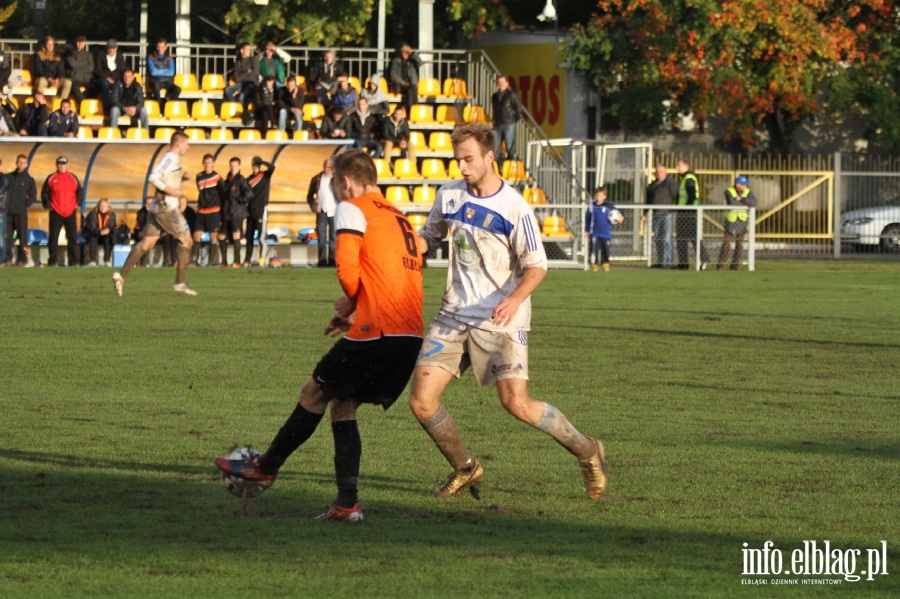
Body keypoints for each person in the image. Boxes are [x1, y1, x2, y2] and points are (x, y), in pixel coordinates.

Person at [215, 149, 425, 522]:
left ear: (344, 182)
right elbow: (390, 275)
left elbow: (347, 271)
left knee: (313, 391)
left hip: (377, 330)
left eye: (335, 186)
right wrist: (355, 308)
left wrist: (356, 303)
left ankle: (266, 466)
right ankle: (347, 504)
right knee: (342, 404)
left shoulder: (352, 207)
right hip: (408, 335)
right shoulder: (399, 216)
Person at [408, 123, 608, 501]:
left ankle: (587, 450)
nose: (462, 168)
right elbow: (429, 237)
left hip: (499, 320)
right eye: (458, 160)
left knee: (516, 403)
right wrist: (398, 241)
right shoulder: (449, 194)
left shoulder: (513, 206)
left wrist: (515, 298)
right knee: (421, 402)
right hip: (453, 314)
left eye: (468, 159)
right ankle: (466, 468)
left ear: (489, 156)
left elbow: (537, 266)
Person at [112, 131, 198, 296]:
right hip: (166, 207)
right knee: (187, 241)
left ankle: (120, 276)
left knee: (146, 244)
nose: (188, 146)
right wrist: (169, 190)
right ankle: (180, 283)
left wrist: (181, 179)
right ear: (178, 144)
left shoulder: (173, 160)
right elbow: (153, 176)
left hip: (158, 206)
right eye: (187, 143)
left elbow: (165, 178)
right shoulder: (169, 158)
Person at [42, 156, 83, 267]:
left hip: (70, 212)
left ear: (67, 165)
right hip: (56, 211)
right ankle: (53, 261)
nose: (62, 166)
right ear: (57, 165)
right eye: (60, 163)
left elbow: (80, 192)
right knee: (53, 237)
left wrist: (77, 204)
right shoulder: (51, 178)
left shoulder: (73, 178)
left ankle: (73, 261)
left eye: (64, 164)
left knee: (72, 237)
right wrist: (48, 205)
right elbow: (45, 193)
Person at [717, 175, 758, 270]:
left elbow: (754, 202)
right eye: (743, 185)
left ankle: (735, 265)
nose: (745, 187)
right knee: (726, 244)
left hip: (742, 221)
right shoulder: (729, 191)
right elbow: (732, 202)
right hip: (731, 221)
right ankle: (720, 265)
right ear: (737, 184)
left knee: (739, 245)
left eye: (745, 185)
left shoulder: (747, 191)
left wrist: (742, 200)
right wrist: (745, 202)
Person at [675, 158, 710, 270]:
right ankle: (683, 264)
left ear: (686, 166)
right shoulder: (685, 178)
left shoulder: (689, 178)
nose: (677, 168)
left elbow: (692, 196)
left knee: (692, 237)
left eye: (679, 166)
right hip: (683, 212)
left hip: (687, 214)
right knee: (681, 238)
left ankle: (704, 259)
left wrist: (687, 209)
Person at [644, 163, 678, 268]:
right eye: (658, 172)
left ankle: (669, 262)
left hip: (668, 214)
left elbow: (676, 196)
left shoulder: (671, 183)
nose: (659, 174)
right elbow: (648, 201)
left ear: (666, 172)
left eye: (661, 171)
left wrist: (676, 208)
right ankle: (661, 261)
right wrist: (645, 213)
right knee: (658, 238)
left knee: (667, 239)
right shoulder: (653, 185)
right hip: (656, 215)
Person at [221, 156, 252, 267]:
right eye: (231, 166)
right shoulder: (227, 181)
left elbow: (249, 194)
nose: (233, 168)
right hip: (226, 212)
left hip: (237, 213)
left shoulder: (241, 179)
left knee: (236, 235)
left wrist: (239, 200)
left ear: (239, 167)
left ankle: (237, 261)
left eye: (235, 166)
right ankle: (224, 262)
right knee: (222, 236)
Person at [6, 154, 36, 266]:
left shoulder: (29, 180)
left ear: (27, 164)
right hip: (8, 214)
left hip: (21, 214)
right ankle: (7, 259)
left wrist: (24, 205)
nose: (21, 164)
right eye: (19, 162)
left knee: (23, 238)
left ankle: (23, 260)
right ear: (16, 162)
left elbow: (33, 197)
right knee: (7, 238)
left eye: (23, 162)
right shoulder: (8, 177)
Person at [244, 156, 275, 266]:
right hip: (250, 211)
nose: (255, 167)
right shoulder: (248, 180)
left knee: (261, 237)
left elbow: (272, 167)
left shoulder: (265, 176)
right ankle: (247, 260)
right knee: (249, 237)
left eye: (257, 165)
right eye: (253, 164)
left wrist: (262, 162)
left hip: (261, 210)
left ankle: (261, 260)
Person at [195, 154, 225, 266]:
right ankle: (194, 261)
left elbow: (223, 195)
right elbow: (201, 191)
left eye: (209, 162)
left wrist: (221, 214)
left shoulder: (217, 178)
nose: (207, 165)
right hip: (201, 211)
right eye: (205, 163)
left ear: (213, 164)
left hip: (214, 211)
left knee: (213, 237)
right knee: (196, 235)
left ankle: (212, 262)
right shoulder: (199, 176)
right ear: (203, 164)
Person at [306, 158, 336, 267]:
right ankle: (323, 262)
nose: (328, 169)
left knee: (334, 239)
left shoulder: (338, 179)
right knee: (322, 238)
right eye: (326, 167)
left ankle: (333, 262)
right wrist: (314, 206)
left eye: (330, 167)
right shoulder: (317, 179)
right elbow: (309, 196)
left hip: (334, 212)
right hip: (321, 212)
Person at [584, 186, 618, 272]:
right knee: (593, 250)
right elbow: (587, 219)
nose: (598, 197)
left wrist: (621, 217)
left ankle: (605, 264)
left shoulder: (609, 206)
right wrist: (586, 230)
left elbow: (618, 213)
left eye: (600, 195)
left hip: (606, 233)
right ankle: (593, 265)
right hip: (594, 233)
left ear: (605, 196)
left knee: (605, 250)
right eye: (597, 195)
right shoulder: (592, 206)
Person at [225, 42, 260, 125]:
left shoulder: (254, 59)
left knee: (242, 96)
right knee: (228, 90)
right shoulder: (237, 63)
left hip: (252, 83)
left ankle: (244, 113)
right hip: (242, 84)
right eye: (247, 49)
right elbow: (237, 79)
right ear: (242, 50)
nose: (249, 51)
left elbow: (255, 73)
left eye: (250, 49)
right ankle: (236, 107)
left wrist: (244, 75)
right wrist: (247, 72)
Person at [491, 75, 522, 167]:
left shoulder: (512, 94)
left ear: (507, 83)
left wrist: (513, 120)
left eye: (502, 82)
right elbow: (494, 109)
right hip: (498, 123)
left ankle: (511, 164)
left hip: (508, 123)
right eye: (499, 82)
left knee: (509, 145)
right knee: (496, 145)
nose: (500, 84)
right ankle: (495, 165)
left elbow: (519, 109)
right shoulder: (495, 96)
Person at [32, 35, 73, 100]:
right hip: (44, 78)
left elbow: (61, 70)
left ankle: (63, 103)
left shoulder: (58, 55)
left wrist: (57, 79)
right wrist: (48, 78)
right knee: (41, 81)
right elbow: (39, 70)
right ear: (45, 44)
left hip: (55, 79)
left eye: (52, 45)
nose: (50, 46)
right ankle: (40, 103)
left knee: (68, 82)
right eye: (48, 44)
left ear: (54, 45)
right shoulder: (38, 54)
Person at [93, 39, 126, 114]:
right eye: (109, 48)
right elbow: (97, 70)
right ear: (107, 48)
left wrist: (116, 79)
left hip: (116, 78)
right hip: (103, 78)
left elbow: (122, 70)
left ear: (116, 48)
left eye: (113, 48)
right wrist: (107, 78)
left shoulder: (119, 56)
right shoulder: (101, 55)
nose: (111, 50)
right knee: (105, 84)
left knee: (120, 85)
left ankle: (120, 108)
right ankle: (106, 109)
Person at [82, 197, 117, 266]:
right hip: (94, 233)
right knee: (93, 238)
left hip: (105, 235)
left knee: (108, 238)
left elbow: (113, 226)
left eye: (104, 206)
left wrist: (108, 230)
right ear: (98, 206)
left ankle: (107, 261)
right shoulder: (93, 214)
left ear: (108, 207)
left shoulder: (112, 215)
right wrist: (99, 232)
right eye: (101, 206)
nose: (102, 207)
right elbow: (91, 227)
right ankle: (92, 261)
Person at [146, 38, 181, 107]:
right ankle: (159, 106)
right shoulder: (151, 57)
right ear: (156, 47)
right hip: (156, 80)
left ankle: (169, 106)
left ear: (166, 47)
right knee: (155, 88)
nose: (160, 49)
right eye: (158, 47)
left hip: (168, 81)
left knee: (177, 89)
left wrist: (158, 71)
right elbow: (153, 72)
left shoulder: (169, 58)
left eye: (162, 47)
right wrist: (165, 70)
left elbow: (171, 72)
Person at [164, 196, 196, 267]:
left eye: (183, 203)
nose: (181, 205)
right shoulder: (172, 212)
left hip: (187, 233)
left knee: (192, 239)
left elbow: (193, 226)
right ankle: (174, 261)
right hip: (175, 233)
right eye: (179, 203)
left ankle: (191, 261)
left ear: (186, 204)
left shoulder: (190, 212)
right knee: (172, 238)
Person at [388, 43, 422, 110]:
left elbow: (420, 63)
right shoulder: (395, 61)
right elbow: (393, 76)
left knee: (411, 89)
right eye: (404, 52)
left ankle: (411, 110)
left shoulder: (412, 61)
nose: (406, 54)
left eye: (407, 52)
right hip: (399, 86)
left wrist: (413, 53)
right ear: (401, 52)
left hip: (411, 87)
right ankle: (412, 110)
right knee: (411, 89)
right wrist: (403, 83)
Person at [65, 35, 95, 103]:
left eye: (81, 42)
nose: (79, 44)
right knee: (74, 87)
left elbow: (91, 68)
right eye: (78, 42)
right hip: (75, 78)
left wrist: (78, 66)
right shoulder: (69, 53)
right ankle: (83, 103)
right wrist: (85, 64)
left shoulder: (88, 54)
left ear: (85, 43)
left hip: (87, 79)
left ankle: (85, 101)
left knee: (97, 87)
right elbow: (73, 65)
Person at [0, 160, 8, 264]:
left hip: (0, 211)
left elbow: (2, 190)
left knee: (1, 237)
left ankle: (1, 260)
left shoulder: (4, 179)